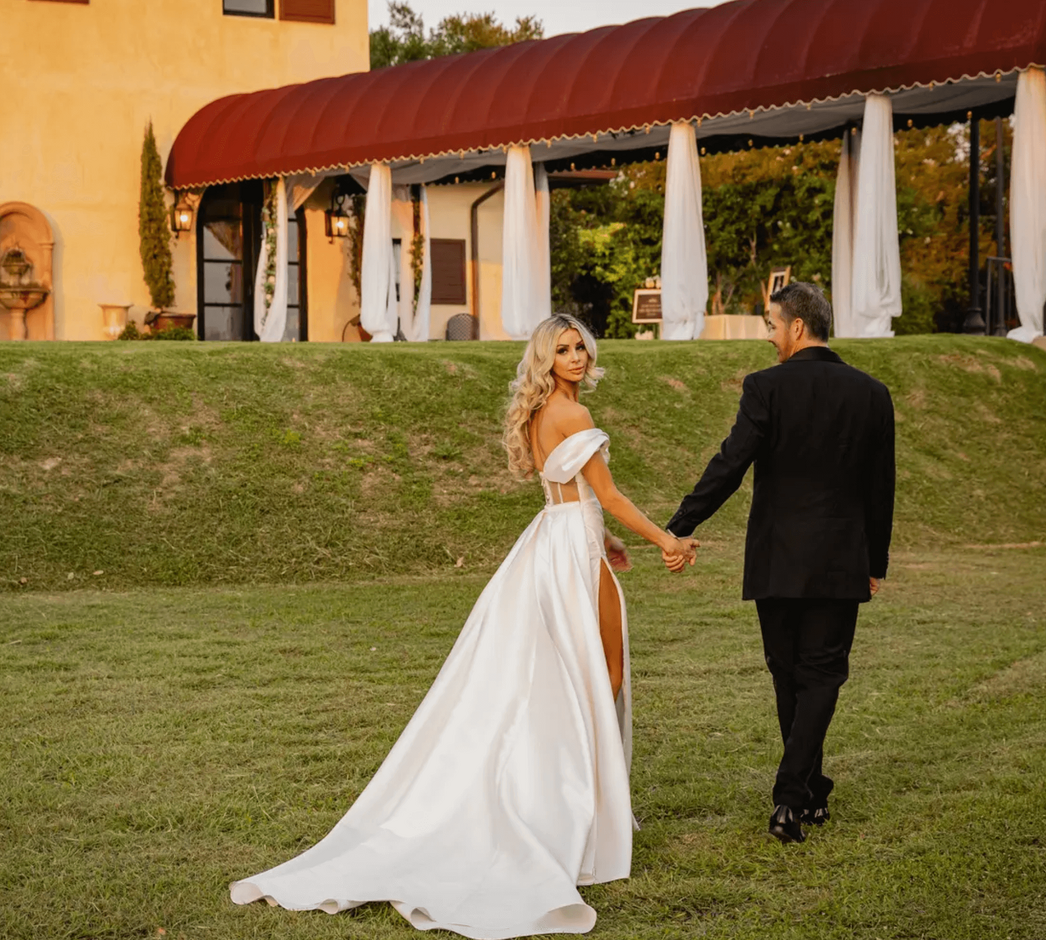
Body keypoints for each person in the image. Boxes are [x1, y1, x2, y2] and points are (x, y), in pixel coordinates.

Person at [229, 314, 697, 938]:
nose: (577, 356)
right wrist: (667, 540)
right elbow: (606, 494)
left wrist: (606, 539)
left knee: (567, 679)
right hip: (570, 553)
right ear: (547, 359)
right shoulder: (574, 413)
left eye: (580, 346)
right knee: (602, 675)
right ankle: (575, 810)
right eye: (563, 349)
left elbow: (572, 493)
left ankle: (570, 802)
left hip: (556, 542)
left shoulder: (540, 412)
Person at [665, 282, 895, 844]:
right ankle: (805, 792)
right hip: (840, 557)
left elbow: (731, 462)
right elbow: (880, 488)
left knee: (791, 673)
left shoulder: (765, 387)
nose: (769, 337)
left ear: (796, 326)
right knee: (820, 674)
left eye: (772, 325)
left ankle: (792, 796)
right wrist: (875, 562)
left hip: (777, 558)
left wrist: (682, 523)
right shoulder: (872, 394)